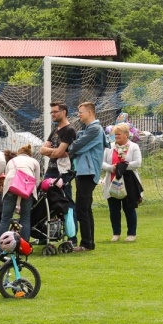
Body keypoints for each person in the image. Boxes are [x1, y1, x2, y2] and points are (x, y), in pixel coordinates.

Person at [67, 102, 108, 252]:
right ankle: (89, 243)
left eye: (81, 112)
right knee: (86, 208)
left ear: (90, 112)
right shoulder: (87, 129)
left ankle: (85, 243)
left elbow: (76, 146)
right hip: (82, 171)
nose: (78, 115)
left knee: (81, 208)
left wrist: (71, 147)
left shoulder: (95, 129)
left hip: (88, 172)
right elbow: (77, 145)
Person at [40, 102, 78, 245]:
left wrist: (52, 151)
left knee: (66, 202)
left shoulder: (69, 130)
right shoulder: (55, 130)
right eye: (51, 112)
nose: (53, 114)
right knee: (45, 201)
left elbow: (58, 153)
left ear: (64, 112)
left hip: (63, 172)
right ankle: (45, 235)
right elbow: (43, 150)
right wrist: (54, 152)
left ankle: (72, 237)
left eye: (55, 111)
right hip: (50, 171)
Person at [0, 144, 41, 255]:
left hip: (11, 187)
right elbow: (37, 181)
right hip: (27, 189)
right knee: (25, 219)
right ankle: (23, 249)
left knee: (5, 219)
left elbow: (7, 175)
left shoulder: (11, 161)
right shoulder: (34, 162)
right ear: (30, 154)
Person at [101, 122, 143, 242]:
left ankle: (131, 234)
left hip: (129, 183)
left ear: (126, 134)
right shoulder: (109, 147)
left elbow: (137, 163)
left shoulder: (134, 146)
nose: (116, 136)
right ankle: (116, 233)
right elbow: (102, 163)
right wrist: (111, 168)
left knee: (129, 208)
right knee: (114, 209)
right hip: (112, 182)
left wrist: (122, 167)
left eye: (119, 134)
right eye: (115, 134)